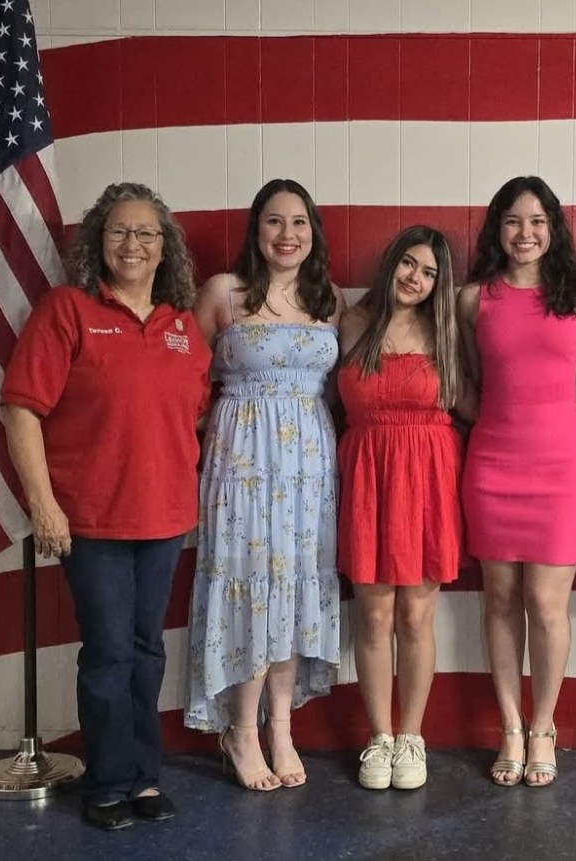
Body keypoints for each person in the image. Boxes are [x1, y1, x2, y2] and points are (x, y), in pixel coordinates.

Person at [1, 182, 211, 830]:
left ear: (165, 248)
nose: (132, 243)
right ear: (99, 241)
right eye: (119, 230)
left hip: (164, 518)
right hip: (91, 520)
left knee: (147, 652)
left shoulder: (183, 326)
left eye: (147, 232)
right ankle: (108, 782)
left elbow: (192, 414)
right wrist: (44, 504)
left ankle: (144, 778)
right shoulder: (67, 311)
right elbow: (21, 409)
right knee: (109, 653)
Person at [185, 179, 345, 791]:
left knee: (295, 585)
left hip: (309, 466)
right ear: (256, 230)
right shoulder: (224, 293)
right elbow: (182, 375)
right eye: (274, 221)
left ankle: (280, 727)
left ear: (313, 232)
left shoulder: (327, 299)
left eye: (299, 222)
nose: (287, 234)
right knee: (251, 582)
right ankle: (240, 730)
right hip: (244, 462)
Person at [458, 176, 576, 788]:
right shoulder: (473, 299)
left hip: (562, 467)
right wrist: (499, 414)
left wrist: (571, 402)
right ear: (497, 228)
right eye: (513, 221)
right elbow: (466, 379)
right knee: (498, 598)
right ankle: (510, 727)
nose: (525, 233)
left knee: (546, 603)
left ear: (553, 228)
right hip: (492, 463)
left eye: (537, 221)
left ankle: (544, 725)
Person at [337, 225, 464, 791]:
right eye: (409, 264)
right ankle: (380, 737)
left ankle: (412, 736)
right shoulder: (353, 323)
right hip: (368, 476)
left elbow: (477, 398)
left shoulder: (445, 331)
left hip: (428, 479)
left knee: (415, 615)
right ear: (391, 263)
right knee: (373, 615)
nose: (416, 278)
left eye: (430, 272)